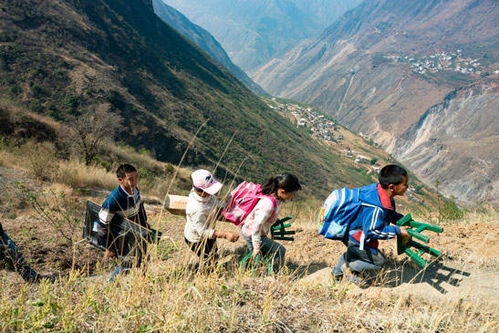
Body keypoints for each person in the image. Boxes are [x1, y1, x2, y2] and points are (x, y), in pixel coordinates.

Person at [332, 164, 412, 285]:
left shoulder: (379, 192)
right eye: (405, 184)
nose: (407, 187)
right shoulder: (376, 207)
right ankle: (349, 268)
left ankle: (336, 274)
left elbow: (388, 214)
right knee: (379, 261)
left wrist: (401, 220)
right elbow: (373, 230)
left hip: (350, 232)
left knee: (354, 252)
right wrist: (397, 230)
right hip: (356, 237)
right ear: (392, 187)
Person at [96, 164, 149, 282]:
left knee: (144, 256)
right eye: (130, 179)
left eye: (136, 177)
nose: (134, 181)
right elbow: (101, 225)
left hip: (135, 231)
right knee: (128, 261)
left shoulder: (135, 190)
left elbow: (139, 207)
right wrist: (109, 247)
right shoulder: (114, 199)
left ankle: (142, 282)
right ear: (120, 180)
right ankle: (112, 284)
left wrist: (145, 224)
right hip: (122, 235)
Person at [241, 173, 301, 272]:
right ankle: (273, 275)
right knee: (279, 250)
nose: (292, 197)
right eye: (292, 194)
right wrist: (256, 247)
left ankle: (254, 270)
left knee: (262, 256)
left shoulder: (277, 199)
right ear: (282, 191)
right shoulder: (268, 205)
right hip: (252, 234)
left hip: (257, 233)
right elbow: (256, 226)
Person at [184, 169, 239, 264]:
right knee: (209, 258)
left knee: (214, 251)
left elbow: (214, 202)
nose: (212, 193)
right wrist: (225, 235)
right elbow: (203, 232)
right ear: (201, 191)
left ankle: (213, 260)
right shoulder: (197, 209)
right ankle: (209, 271)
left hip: (210, 232)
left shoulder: (202, 194)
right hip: (197, 239)